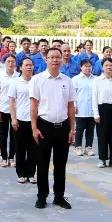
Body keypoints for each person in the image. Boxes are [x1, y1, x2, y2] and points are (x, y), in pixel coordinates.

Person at [29, 48, 76, 209]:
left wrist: (72, 129)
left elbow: (71, 106)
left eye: (57, 57)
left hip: (63, 127)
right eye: (51, 57)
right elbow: (33, 106)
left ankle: (59, 196)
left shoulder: (67, 81)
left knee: (60, 164)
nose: (55, 60)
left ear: (62, 59)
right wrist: (34, 128)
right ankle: (42, 196)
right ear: (46, 59)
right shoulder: (37, 79)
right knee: (42, 164)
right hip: (44, 126)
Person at [8, 57, 35, 184]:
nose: (29, 67)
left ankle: (31, 173)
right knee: (20, 148)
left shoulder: (36, 82)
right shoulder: (15, 83)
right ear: (20, 68)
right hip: (20, 119)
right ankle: (21, 173)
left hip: (34, 120)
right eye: (26, 65)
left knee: (33, 148)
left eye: (31, 65)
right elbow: (12, 102)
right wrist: (13, 118)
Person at [92, 58, 112, 168]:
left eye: (111, 65)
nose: (109, 67)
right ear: (102, 67)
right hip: (102, 109)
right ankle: (102, 159)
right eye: (106, 65)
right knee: (102, 135)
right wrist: (96, 114)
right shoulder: (97, 80)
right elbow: (94, 97)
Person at [72, 59, 96, 157]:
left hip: (92, 109)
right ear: (81, 67)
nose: (88, 68)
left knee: (90, 130)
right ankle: (78, 147)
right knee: (79, 129)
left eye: (89, 66)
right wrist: (74, 105)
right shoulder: (76, 79)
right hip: (80, 109)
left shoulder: (95, 79)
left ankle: (88, 147)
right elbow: (72, 94)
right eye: (85, 66)